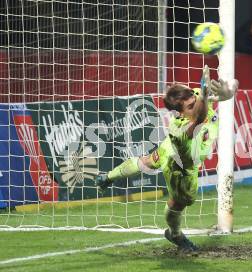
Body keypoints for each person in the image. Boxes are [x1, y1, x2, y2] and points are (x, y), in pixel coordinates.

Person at [95, 66, 238, 252]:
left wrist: (228, 92)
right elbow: (199, 118)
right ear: (179, 113)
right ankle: (175, 234)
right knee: (179, 202)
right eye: (189, 107)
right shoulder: (178, 128)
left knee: (146, 160)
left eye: (194, 101)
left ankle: (107, 177)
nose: (194, 105)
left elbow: (232, 86)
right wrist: (204, 96)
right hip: (179, 163)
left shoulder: (196, 96)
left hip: (169, 148)